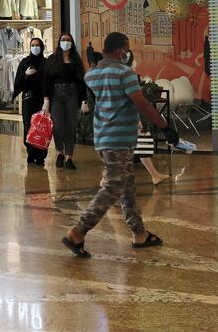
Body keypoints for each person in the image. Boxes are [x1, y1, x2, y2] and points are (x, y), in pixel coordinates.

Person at [62, 32, 179, 258]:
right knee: (112, 187)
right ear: (120, 51)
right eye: (126, 49)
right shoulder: (124, 72)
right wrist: (165, 126)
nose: (127, 53)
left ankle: (139, 233)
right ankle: (78, 231)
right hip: (119, 139)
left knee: (127, 186)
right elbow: (142, 104)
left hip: (104, 137)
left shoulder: (93, 74)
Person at [43, 33, 88, 170]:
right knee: (58, 126)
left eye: (68, 40)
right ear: (59, 42)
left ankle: (69, 157)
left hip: (72, 94)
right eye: (63, 40)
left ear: (72, 43)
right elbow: (46, 80)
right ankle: (59, 153)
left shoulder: (75, 60)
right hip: (56, 95)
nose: (65, 42)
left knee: (71, 127)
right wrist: (46, 99)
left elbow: (81, 82)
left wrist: (84, 101)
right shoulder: (52, 59)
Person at [12, 37, 48, 166]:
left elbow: (48, 82)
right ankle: (31, 153)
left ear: (42, 46)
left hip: (42, 100)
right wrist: (26, 75)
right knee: (28, 127)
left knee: (41, 128)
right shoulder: (24, 62)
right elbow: (18, 83)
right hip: (28, 100)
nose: (35, 47)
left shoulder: (46, 62)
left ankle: (41, 155)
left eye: (37, 45)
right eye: (32, 45)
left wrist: (47, 99)